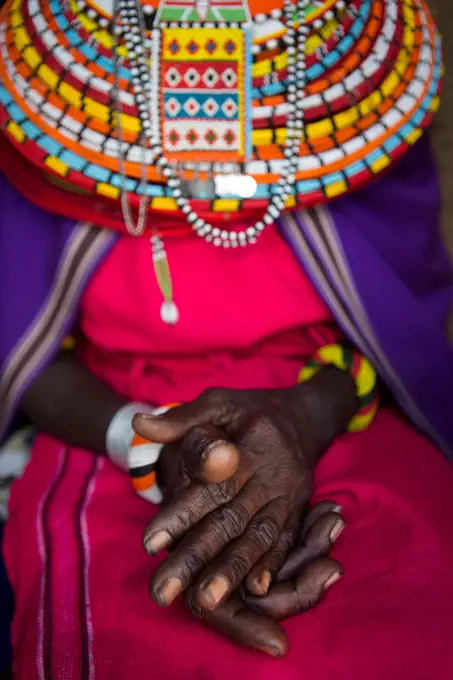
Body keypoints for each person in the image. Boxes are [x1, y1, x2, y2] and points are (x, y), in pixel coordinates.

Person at [1, 0, 453, 677]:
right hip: (105, 426)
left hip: (341, 403)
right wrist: (144, 442)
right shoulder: (46, 74)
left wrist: (306, 416)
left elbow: (398, 313)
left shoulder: (355, 63)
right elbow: (17, 337)